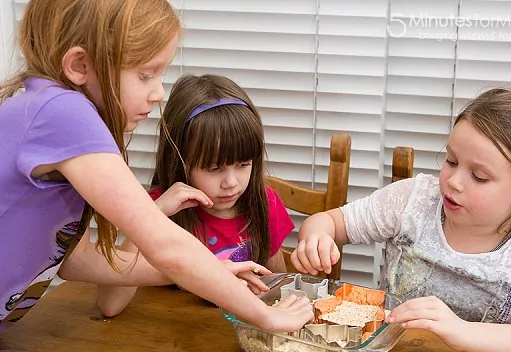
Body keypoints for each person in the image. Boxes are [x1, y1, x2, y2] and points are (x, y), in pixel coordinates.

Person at [0, 0, 313, 333]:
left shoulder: (39, 106)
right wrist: (266, 316)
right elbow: (167, 247)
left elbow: (74, 260)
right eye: (145, 74)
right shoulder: (63, 113)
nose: (158, 93)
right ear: (80, 65)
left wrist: (211, 272)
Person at [290, 88, 511, 352]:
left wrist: (461, 331)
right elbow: (329, 222)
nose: (453, 181)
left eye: (478, 176)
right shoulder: (413, 200)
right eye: (451, 161)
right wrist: (316, 237)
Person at [77, 74, 295, 316]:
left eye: (243, 164)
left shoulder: (265, 204)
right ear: (179, 161)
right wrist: (154, 214)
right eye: (214, 168)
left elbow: (275, 289)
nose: (231, 183)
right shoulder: (155, 209)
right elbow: (110, 304)